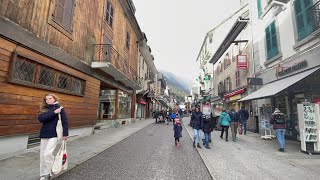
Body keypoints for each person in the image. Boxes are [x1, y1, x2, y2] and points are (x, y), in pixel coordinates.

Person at [38, 94, 68, 180]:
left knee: (47, 154)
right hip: (44, 134)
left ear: (54, 99)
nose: (48, 100)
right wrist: (54, 112)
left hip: (55, 134)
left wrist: (65, 134)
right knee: (42, 156)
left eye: (50, 98)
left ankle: (49, 171)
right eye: (46, 99)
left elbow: (64, 122)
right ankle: (44, 174)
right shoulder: (44, 108)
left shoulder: (60, 108)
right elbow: (41, 119)